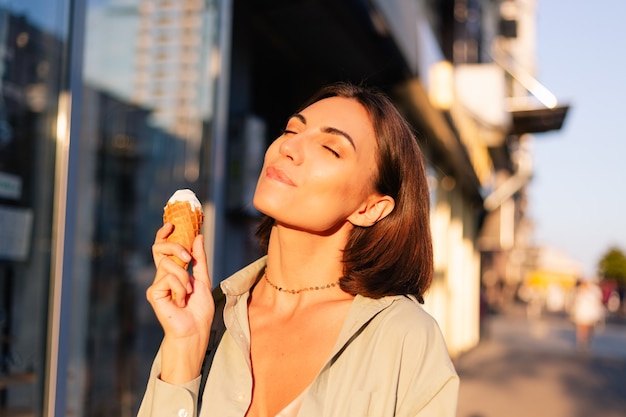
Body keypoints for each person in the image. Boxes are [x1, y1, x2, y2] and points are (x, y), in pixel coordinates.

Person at [138, 82, 459, 417]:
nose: (289, 147)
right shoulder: (207, 318)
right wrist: (184, 347)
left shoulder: (405, 338)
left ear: (370, 208)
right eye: (292, 129)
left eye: (331, 148)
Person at [571, 279, 605, 351]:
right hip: (581, 312)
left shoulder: (594, 290)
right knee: (580, 326)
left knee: (588, 327)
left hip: (589, 312)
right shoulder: (579, 290)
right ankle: (581, 340)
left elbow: (598, 301)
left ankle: (586, 339)